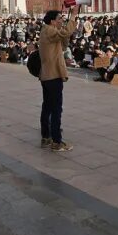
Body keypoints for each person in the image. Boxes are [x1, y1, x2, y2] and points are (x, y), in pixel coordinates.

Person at [39, 9, 77, 152]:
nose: (62, 20)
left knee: (47, 106)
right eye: (60, 18)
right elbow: (63, 34)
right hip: (53, 75)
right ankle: (56, 141)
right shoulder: (49, 30)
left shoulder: (48, 31)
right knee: (56, 109)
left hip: (47, 75)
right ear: (52, 21)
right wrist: (72, 18)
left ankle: (46, 136)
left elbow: (64, 44)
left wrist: (65, 31)